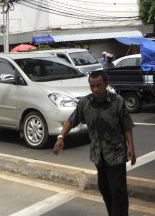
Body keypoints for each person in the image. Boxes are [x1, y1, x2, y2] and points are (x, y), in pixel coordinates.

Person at [54, 70, 135, 216]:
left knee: (118, 191)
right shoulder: (85, 103)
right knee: (105, 189)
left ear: (106, 84)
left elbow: (126, 125)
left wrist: (131, 147)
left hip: (116, 153)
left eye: (98, 85)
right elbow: (71, 120)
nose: (95, 89)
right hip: (98, 155)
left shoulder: (117, 101)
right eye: (92, 86)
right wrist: (61, 137)